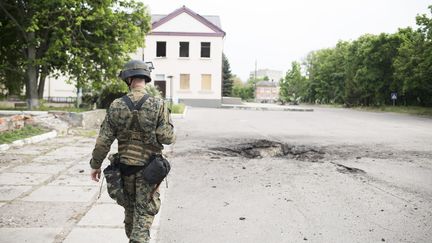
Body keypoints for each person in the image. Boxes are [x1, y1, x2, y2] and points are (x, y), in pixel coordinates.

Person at [89, 60, 175, 243]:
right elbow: (166, 138)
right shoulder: (158, 104)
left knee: (130, 211)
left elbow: (103, 141)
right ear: (145, 78)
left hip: (125, 170)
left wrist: (95, 165)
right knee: (143, 214)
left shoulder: (116, 105)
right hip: (150, 171)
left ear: (128, 79)